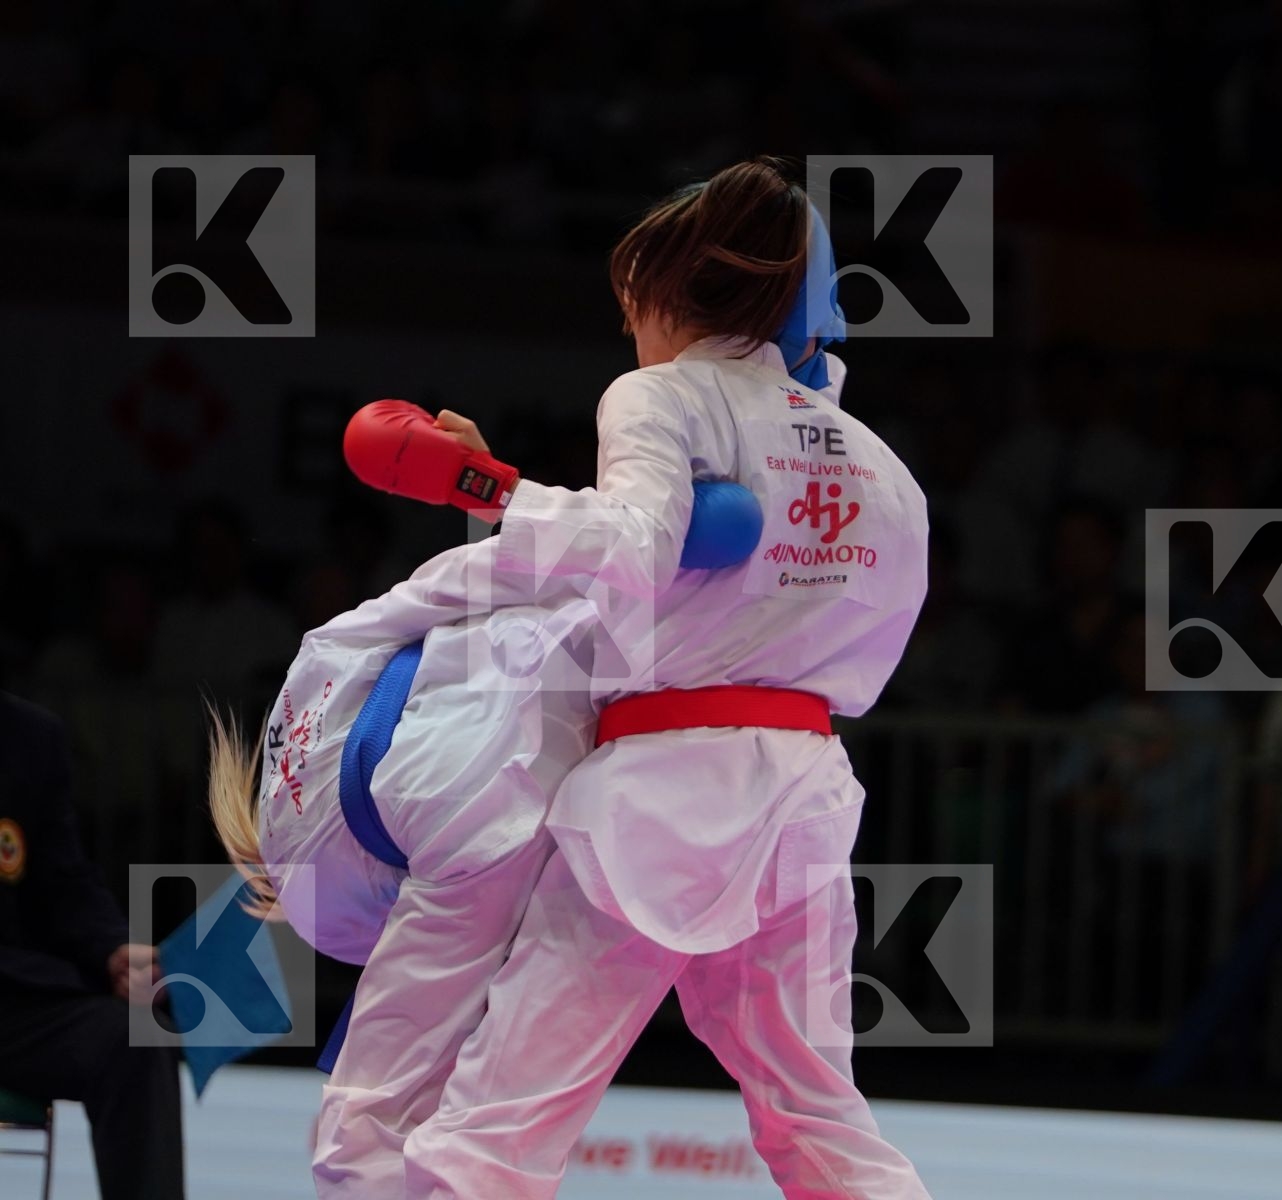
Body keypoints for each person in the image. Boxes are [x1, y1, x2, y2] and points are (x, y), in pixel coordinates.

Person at [369, 157, 932, 1198]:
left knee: (502, 1122)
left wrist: (490, 488)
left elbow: (628, 547)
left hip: (664, 796)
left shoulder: (660, 394)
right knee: (820, 1124)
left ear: (666, 296)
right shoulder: (880, 464)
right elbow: (871, 649)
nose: (631, 333)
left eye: (632, 309)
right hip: (807, 788)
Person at [206, 473, 761, 1199]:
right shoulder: (341, 838)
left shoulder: (338, 856)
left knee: (404, 1103)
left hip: (433, 772)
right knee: (441, 1095)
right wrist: (496, 490)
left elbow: (455, 581)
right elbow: (455, 582)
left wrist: (496, 488)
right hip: (441, 771)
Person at [0, 690, 185, 1199]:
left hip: (12, 1003)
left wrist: (113, 950)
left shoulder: (28, 737)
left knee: (136, 1038)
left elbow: (64, 883)